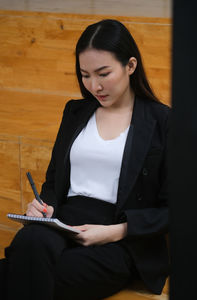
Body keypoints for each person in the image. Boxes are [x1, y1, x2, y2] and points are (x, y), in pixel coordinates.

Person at [1, 19, 170, 300]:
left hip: (121, 238)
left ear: (130, 65)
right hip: (65, 221)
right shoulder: (75, 112)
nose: (94, 86)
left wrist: (116, 232)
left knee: (30, 273)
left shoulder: (163, 121)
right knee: (29, 240)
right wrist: (44, 206)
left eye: (103, 73)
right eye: (85, 75)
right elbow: (54, 181)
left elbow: (173, 209)